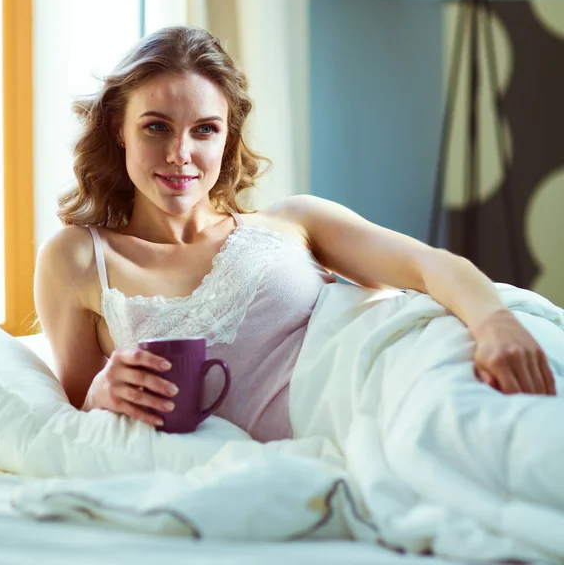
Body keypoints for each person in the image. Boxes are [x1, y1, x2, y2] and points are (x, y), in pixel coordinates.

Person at [34, 25, 556, 444]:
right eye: (156, 127)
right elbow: (78, 409)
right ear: (116, 130)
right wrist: (105, 391)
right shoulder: (77, 259)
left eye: (205, 130)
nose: (181, 154)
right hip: (360, 436)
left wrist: (496, 324)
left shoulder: (294, 221)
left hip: (416, 368)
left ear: (227, 139)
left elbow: (430, 265)